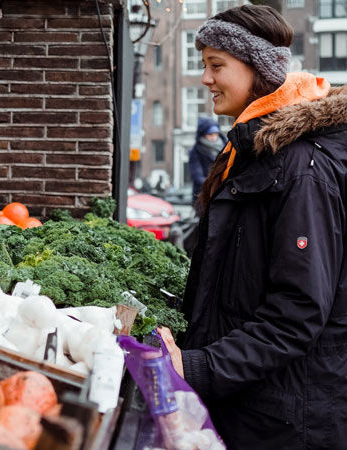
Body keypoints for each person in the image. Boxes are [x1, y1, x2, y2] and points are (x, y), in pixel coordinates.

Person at [157, 4, 347, 449]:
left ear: (258, 69)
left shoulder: (302, 168)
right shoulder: (250, 153)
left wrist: (198, 366)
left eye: (216, 66)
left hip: (286, 420)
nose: (206, 79)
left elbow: (297, 311)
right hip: (253, 405)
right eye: (204, 65)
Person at [188, 117, 227, 207]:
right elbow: (197, 176)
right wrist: (215, 186)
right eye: (210, 134)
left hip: (224, 194)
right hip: (203, 196)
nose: (213, 137)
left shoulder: (227, 146)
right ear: (203, 135)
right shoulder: (195, 152)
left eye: (215, 134)